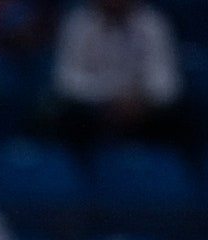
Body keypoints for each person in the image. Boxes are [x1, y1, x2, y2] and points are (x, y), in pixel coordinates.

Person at [50, 0, 187, 146]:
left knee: (181, 117)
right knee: (63, 115)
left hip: (144, 109)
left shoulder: (153, 23)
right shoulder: (78, 22)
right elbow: (67, 80)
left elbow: (166, 82)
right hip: (94, 108)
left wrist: (140, 99)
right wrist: (110, 98)